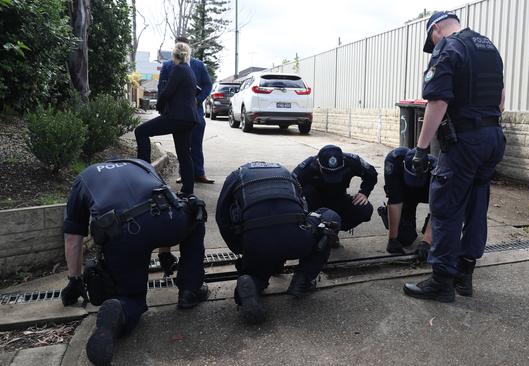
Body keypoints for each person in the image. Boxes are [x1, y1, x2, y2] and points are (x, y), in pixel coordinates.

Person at [60, 159, 208, 365]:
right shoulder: (140, 164)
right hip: (167, 220)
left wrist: (75, 279)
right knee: (195, 220)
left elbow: (72, 238)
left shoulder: (84, 178)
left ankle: (120, 308)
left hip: (124, 235)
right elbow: (166, 199)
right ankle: (190, 290)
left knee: (132, 297)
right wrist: (164, 252)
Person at [403, 11, 506, 302]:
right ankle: (465, 274)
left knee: (446, 206)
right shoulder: (488, 47)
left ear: (436, 29)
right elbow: (500, 100)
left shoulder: (449, 46)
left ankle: (441, 281)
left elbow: (438, 101)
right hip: (493, 138)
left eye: (431, 39)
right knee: (476, 205)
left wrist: (421, 149)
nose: (433, 45)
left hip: (465, 141)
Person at [216, 161, 341, 324]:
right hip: (295, 239)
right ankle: (302, 279)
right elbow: (304, 210)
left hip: (256, 241)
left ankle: (252, 284)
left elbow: (222, 218)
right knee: (328, 217)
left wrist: (240, 248)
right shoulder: (286, 173)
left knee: (257, 270)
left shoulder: (236, 176)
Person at [136, 41, 199, 195]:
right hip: (189, 119)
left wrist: (159, 105)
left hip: (177, 117)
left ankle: (144, 175)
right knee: (184, 154)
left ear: (173, 56)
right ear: (187, 55)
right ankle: (188, 192)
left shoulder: (178, 69)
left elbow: (167, 92)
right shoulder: (189, 70)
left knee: (141, 132)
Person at [158, 36, 214, 185]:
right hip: (177, 114)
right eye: (179, 47)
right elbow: (162, 88)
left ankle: (200, 173)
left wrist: (198, 99)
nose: (182, 51)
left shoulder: (199, 65)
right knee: (183, 145)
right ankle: (184, 174)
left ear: (189, 49)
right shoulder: (168, 66)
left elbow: (208, 85)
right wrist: (164, 109)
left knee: (196, 143)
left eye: (184, 47)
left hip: (196, 112)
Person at [292, 145, 377, 238]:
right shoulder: (307, 166)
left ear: (343, 162)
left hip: (339, 199)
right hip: (314, 204)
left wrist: (364, 192)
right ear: (318, 163)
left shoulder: (351, 161)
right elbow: (291, 185)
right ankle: (313, 233)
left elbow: (371, 174)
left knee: (364, 209)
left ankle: (332, 231)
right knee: (307, 193)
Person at [379, 147, 436, 258]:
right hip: (405, 195)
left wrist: (426, 242)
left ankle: (429, 229)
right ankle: (389, 216)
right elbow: (395, 199)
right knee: (405, 239)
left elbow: (439, 206)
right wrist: (392, 239)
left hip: (426, 193)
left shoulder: (437, 170)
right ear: (403, 164)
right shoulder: (394, 161)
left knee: (440, 239)